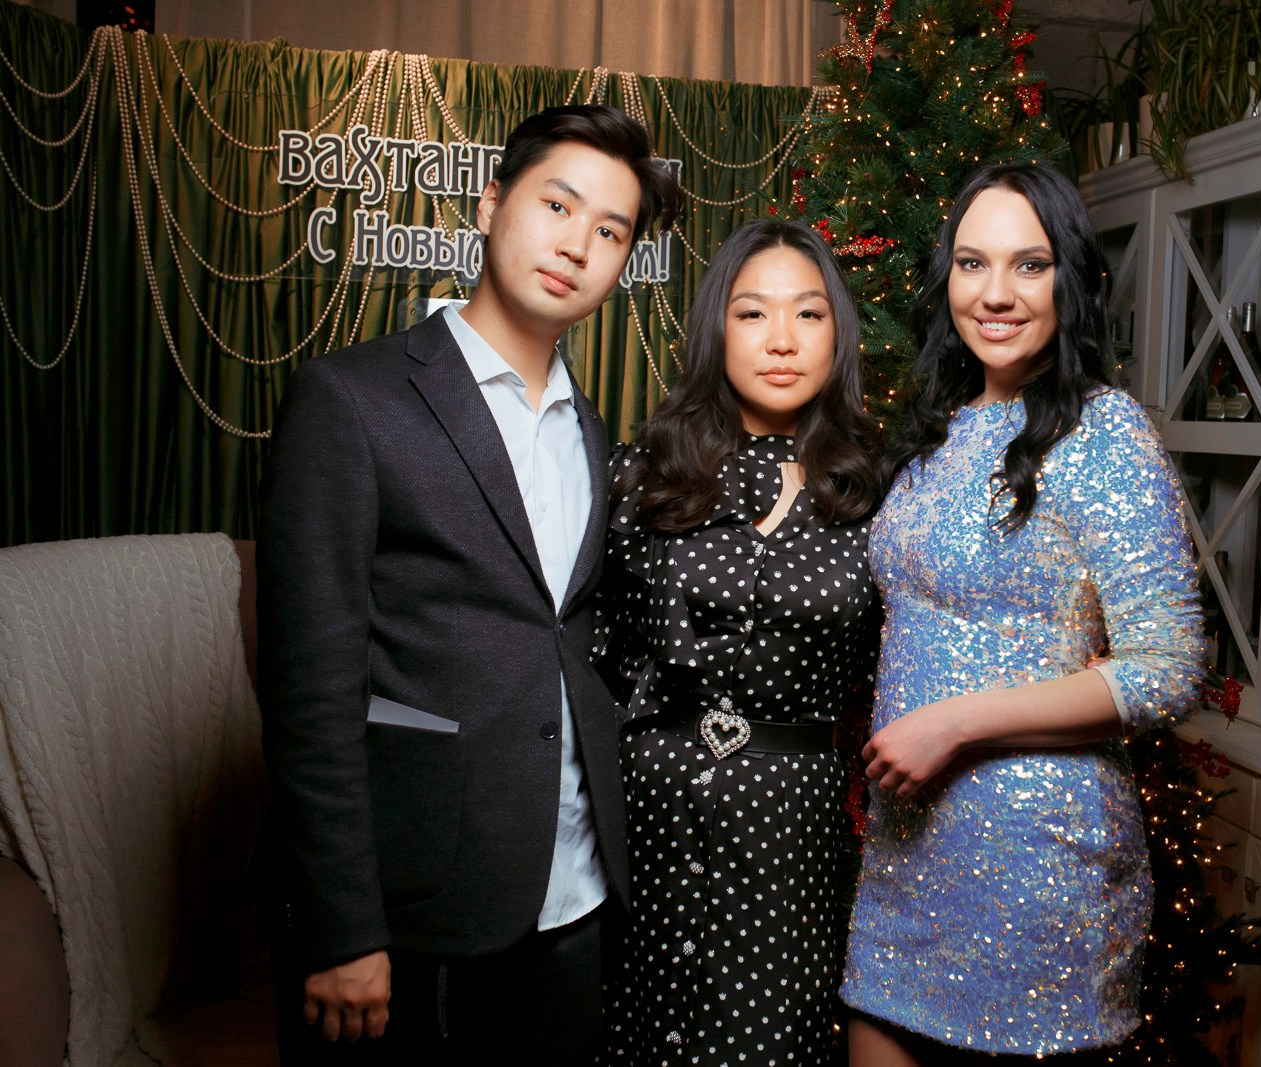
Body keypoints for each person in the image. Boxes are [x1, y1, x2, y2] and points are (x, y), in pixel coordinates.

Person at [256, 104, 683, 1065]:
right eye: (557, 205)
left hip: (573, 897)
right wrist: (339, 924)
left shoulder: (590, 429)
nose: (577, 245)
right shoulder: (351, 399)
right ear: (491, 205)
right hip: (410, 912)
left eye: (610, 230)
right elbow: (307, 688)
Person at [839, 162, 1204, 1063]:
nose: (995, 293)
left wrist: (954, 723)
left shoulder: (1104, 433)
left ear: (1068, 278)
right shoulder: (937, 428)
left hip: (1037, 872)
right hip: (906, 859)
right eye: (972, 263)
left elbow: (1168, 669)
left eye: (1029, 265)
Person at [596, 219, 881, 1065]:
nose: (782, 339)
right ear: (716, 327)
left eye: (809, 313)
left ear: (839, 333)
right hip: (647, 818)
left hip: (791, 832)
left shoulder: (883, 493)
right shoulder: (639, 474)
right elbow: (591, 652)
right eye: (753, 313)